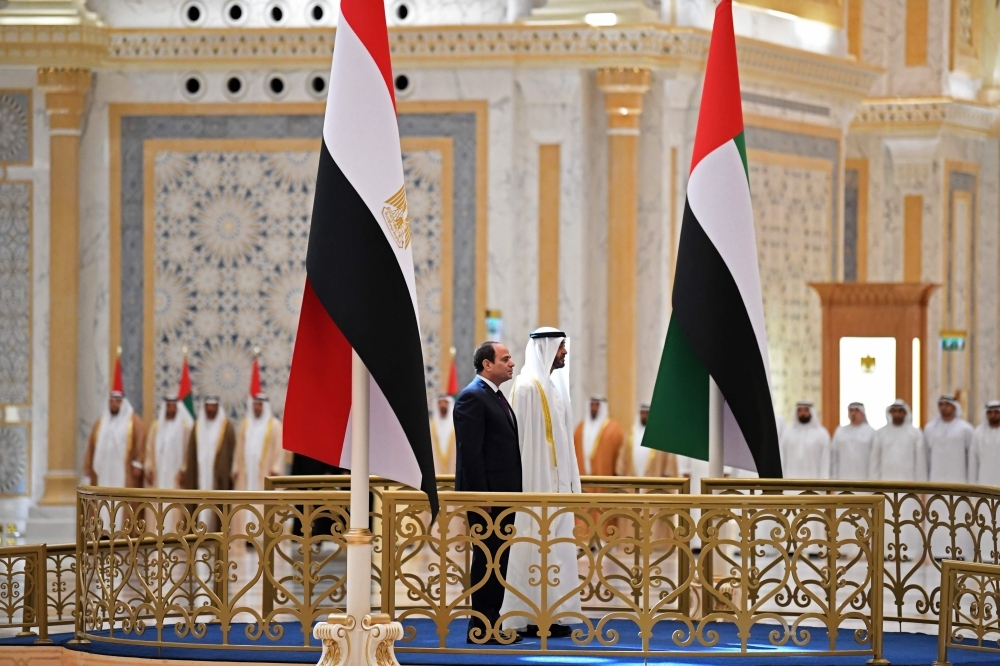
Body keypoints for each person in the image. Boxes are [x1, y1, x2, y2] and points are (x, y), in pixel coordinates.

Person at [501, 327, 583, 638]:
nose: (564, 353)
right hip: (533, 486)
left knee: (558, 550)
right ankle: (527, 616)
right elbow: (519, 443)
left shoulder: (554, 387)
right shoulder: (525, 387)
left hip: (557, 488)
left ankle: (554, 614)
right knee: (531, 548)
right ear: (546, 349)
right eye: (561, 347)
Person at [453, 341, 522, 645]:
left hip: (502, 498)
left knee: (499, 560)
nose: (511, 364)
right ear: (486, 365)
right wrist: (482, 500)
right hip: (488, 501)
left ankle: (492, 623)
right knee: (487, 560)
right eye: (505, 359)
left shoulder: (493, 396)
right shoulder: (472, 397)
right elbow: (471, 455)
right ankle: (480, 626)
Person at [870, 399, 927, 562]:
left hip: (909, 485)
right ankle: (886, 551)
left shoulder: (915, 433)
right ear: (890, 413)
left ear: (905, 413)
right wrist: (874, 484)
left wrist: (921, 485)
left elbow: (920, 461)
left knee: (908, 519)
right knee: (886, 519)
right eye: (894, 411)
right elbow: (875, 460)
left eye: (900, 411)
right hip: (885, 484)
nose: (897, 414)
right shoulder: (881, 433)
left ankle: (909, 551)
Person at [925, 395, 975, 559]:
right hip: (936, 481)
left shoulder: (965, 429)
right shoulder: (930, 428)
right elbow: (926, 456)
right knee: (937, 516)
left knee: (958, 517)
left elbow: (971, 457)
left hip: (958, 481)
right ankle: (937, 552)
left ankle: (959, 552)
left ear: (954, 407)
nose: (944, 407)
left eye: (947, 404)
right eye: (941, 404)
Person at [179, 397, 237, 529]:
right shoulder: (198, 426)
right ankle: (197, 531)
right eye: (207, 406)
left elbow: (231, 452)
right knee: (199, 500)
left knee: (218, 505)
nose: (210, 409)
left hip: (219, 476)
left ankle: (216, 532)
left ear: (218, 407)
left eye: (213, 406)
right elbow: (191, 453)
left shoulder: (227, 427)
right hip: (200, 474)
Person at [144, 397, 193, 532]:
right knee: (157, 503)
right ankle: (155, 534)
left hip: (175, 478)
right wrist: (148, 468)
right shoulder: (155, 427)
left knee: (175, 505)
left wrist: (184, 471)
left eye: (173, 406)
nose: (171, 409)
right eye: (169, 406)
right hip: (158, 476)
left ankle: (175, 534)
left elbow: (188, 453)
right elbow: (149, 449)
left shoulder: (185, 429)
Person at [84, 388, 146, 489]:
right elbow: (91, 447)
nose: (114, 404)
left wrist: (138, 464)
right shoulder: (100, 424)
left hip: (124, 468)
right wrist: (87, 465)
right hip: (104, 467)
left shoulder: (134, 422)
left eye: (117, 401)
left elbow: (141, 443)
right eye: (111, 401)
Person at [233, 393, 284, 492]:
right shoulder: (245, 425)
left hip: (266, 470)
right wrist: (236, 467)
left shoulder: (274, 425)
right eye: (255, 405)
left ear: (265, 406)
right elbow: (238, 448)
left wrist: (276, 467)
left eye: (259, 405)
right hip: (247, 468)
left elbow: (279, 449)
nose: (256, 408)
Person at [573, 397, 624, 477]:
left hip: (604, 480)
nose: (594, 408)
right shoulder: (579, 429)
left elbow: (620, 458)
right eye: (592, 405)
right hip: (582, 479)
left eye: (597, 405)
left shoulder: (613, 429)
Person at [779, 401, 831, 479]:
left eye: (806, 410)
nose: (803, 413)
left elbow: (825, 461)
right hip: (790, 484)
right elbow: (782, 459)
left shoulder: (822, 434)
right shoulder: (787, 433)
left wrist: (823, 484)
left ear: (811, 412)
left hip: (814, 484)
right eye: (800, 410)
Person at [618, 403, 671, 477]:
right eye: (642, 413)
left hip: (653, 479)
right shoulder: (630, 434)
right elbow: (623, 454)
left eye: (647, 413)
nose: (644, 416)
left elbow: (668, 459)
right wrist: (620, 471)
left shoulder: (660, 436)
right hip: (633, 479)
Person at [830, 402, 875, 480]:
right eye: (851, 411)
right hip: (843, 477)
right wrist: (834, 477)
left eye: (856, 410)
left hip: (864, 478)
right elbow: (834, 457)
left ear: (863, 413)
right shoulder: (840, 431)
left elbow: (874, 458)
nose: (853, 413)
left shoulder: (871, 432)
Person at [971, 401, 1000, 486]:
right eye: (990, 412)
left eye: (996, 412)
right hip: (984, 480)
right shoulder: (978, 432)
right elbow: (973, 460)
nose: (993, 415)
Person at [430, 394, 456, 475]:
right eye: (440, 403)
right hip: (435, 469)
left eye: (445, 402)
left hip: (454, 468)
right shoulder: (430, 426)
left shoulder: (457, 425)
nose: (442, 405)